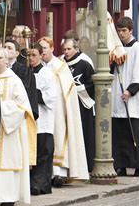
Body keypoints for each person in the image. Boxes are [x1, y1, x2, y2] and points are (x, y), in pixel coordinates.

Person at [0, 48, 36, 206]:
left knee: (7, 162)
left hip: (10, 130)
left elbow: (22, 106)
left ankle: (8, 197)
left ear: (7, 60)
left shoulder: (14, 80)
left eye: (0, 57)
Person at [38, 37, 89, 186]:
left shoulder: (60, 66)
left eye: (45, 48)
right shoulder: (37, 65)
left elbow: (68, 91)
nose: (42, 52)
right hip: (42, 108)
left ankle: (59, 173)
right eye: (40, 49)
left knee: (59, 136)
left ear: (52, 48)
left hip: (58, 108)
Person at [111, 17, 139, 176]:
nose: (121, 34)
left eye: (124, 31)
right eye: (119, 31)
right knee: (120, 132)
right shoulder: (117, 49)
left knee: (135, 132)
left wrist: (130, 91)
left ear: (131, 30)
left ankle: (138, 165)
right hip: (117, 95)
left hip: (132, 99)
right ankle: (121, 164)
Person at [62, 38, 96, 172]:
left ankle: (86, 165)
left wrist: (78, 89)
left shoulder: (84, 64)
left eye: (69, 49)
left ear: (76, 49)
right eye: (64, 49)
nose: (66, 52)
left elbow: (92, 84)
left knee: (84, 133)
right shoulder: (61, 64)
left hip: (82, 105)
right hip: (66, 105)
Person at [28, 43, 57, 195]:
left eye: (34, 55)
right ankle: (29, 182)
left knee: (43, 153)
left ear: (41, 55)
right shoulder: (25, 73)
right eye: (29, 55)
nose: (31, 58)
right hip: (28, 120)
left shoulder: (47, 74)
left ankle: (40, 184)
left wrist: (33, 93)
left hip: (43, 120)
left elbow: (51, 97)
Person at [4, 38, 39, 120]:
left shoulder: (24, 70)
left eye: (9, 48)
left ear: (17, 53)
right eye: (4, 47)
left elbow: (26, 92)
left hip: (17, 112)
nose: (5, 50)